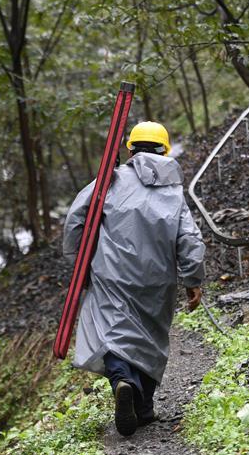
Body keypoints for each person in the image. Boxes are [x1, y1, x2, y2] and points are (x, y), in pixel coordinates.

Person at [62, 121, 206, 437]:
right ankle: (144, 407)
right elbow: (190, 239)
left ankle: (122, 381)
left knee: (112, 331)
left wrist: (79, 265)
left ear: (131, 149)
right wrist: (193, 280)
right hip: (158, 281)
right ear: (164, 150)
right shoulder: (173, 191)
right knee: (151, 337)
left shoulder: (108, 181)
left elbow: (76, 220)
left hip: (111, 275)